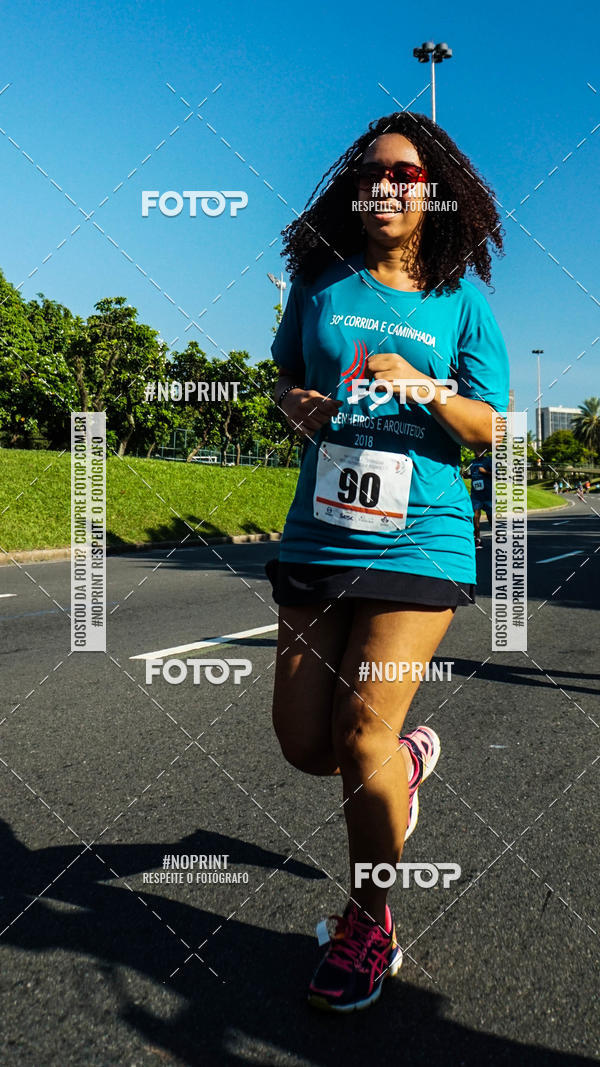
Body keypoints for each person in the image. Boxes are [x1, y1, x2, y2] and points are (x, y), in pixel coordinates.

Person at [266, 110, 509, 1013]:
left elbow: (495, 426)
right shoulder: (320, 280)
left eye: (407, 173)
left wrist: (428, 387)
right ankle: (402, 769)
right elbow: (287, 374)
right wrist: (299, 407)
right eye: (374, 171)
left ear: (434, 190)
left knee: (358, 732)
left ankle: (371, 917)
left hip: (424, 534)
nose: (389, 184)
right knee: (305, 742)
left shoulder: (462, 300)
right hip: (321, 532)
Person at [469, 452, 494, 548]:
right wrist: (468, 476)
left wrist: (485, 472)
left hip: (487, 494)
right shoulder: (472, 462)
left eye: (479, 450)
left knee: (490, 516)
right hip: (476, 494)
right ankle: (477, 539)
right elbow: (474, 475)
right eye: (475, 450)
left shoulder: (489, 461)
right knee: (475, 516)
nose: (477, 452)